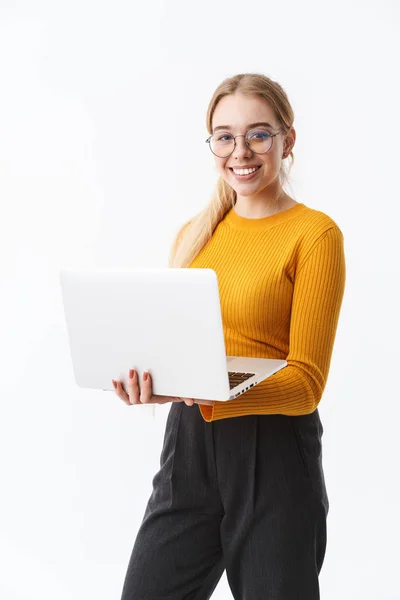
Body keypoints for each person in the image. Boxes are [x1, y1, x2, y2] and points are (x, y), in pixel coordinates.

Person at [113, 72, 346, 600]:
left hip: (275, 454)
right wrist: (154, 381)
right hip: (189, 447)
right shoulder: (195, 236)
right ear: (212, 143)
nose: (240, 150)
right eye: (224, 135)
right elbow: (179, 355)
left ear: (288, 140)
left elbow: (306, 383)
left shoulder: (314, 235)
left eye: (258, 133)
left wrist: (210, 388)